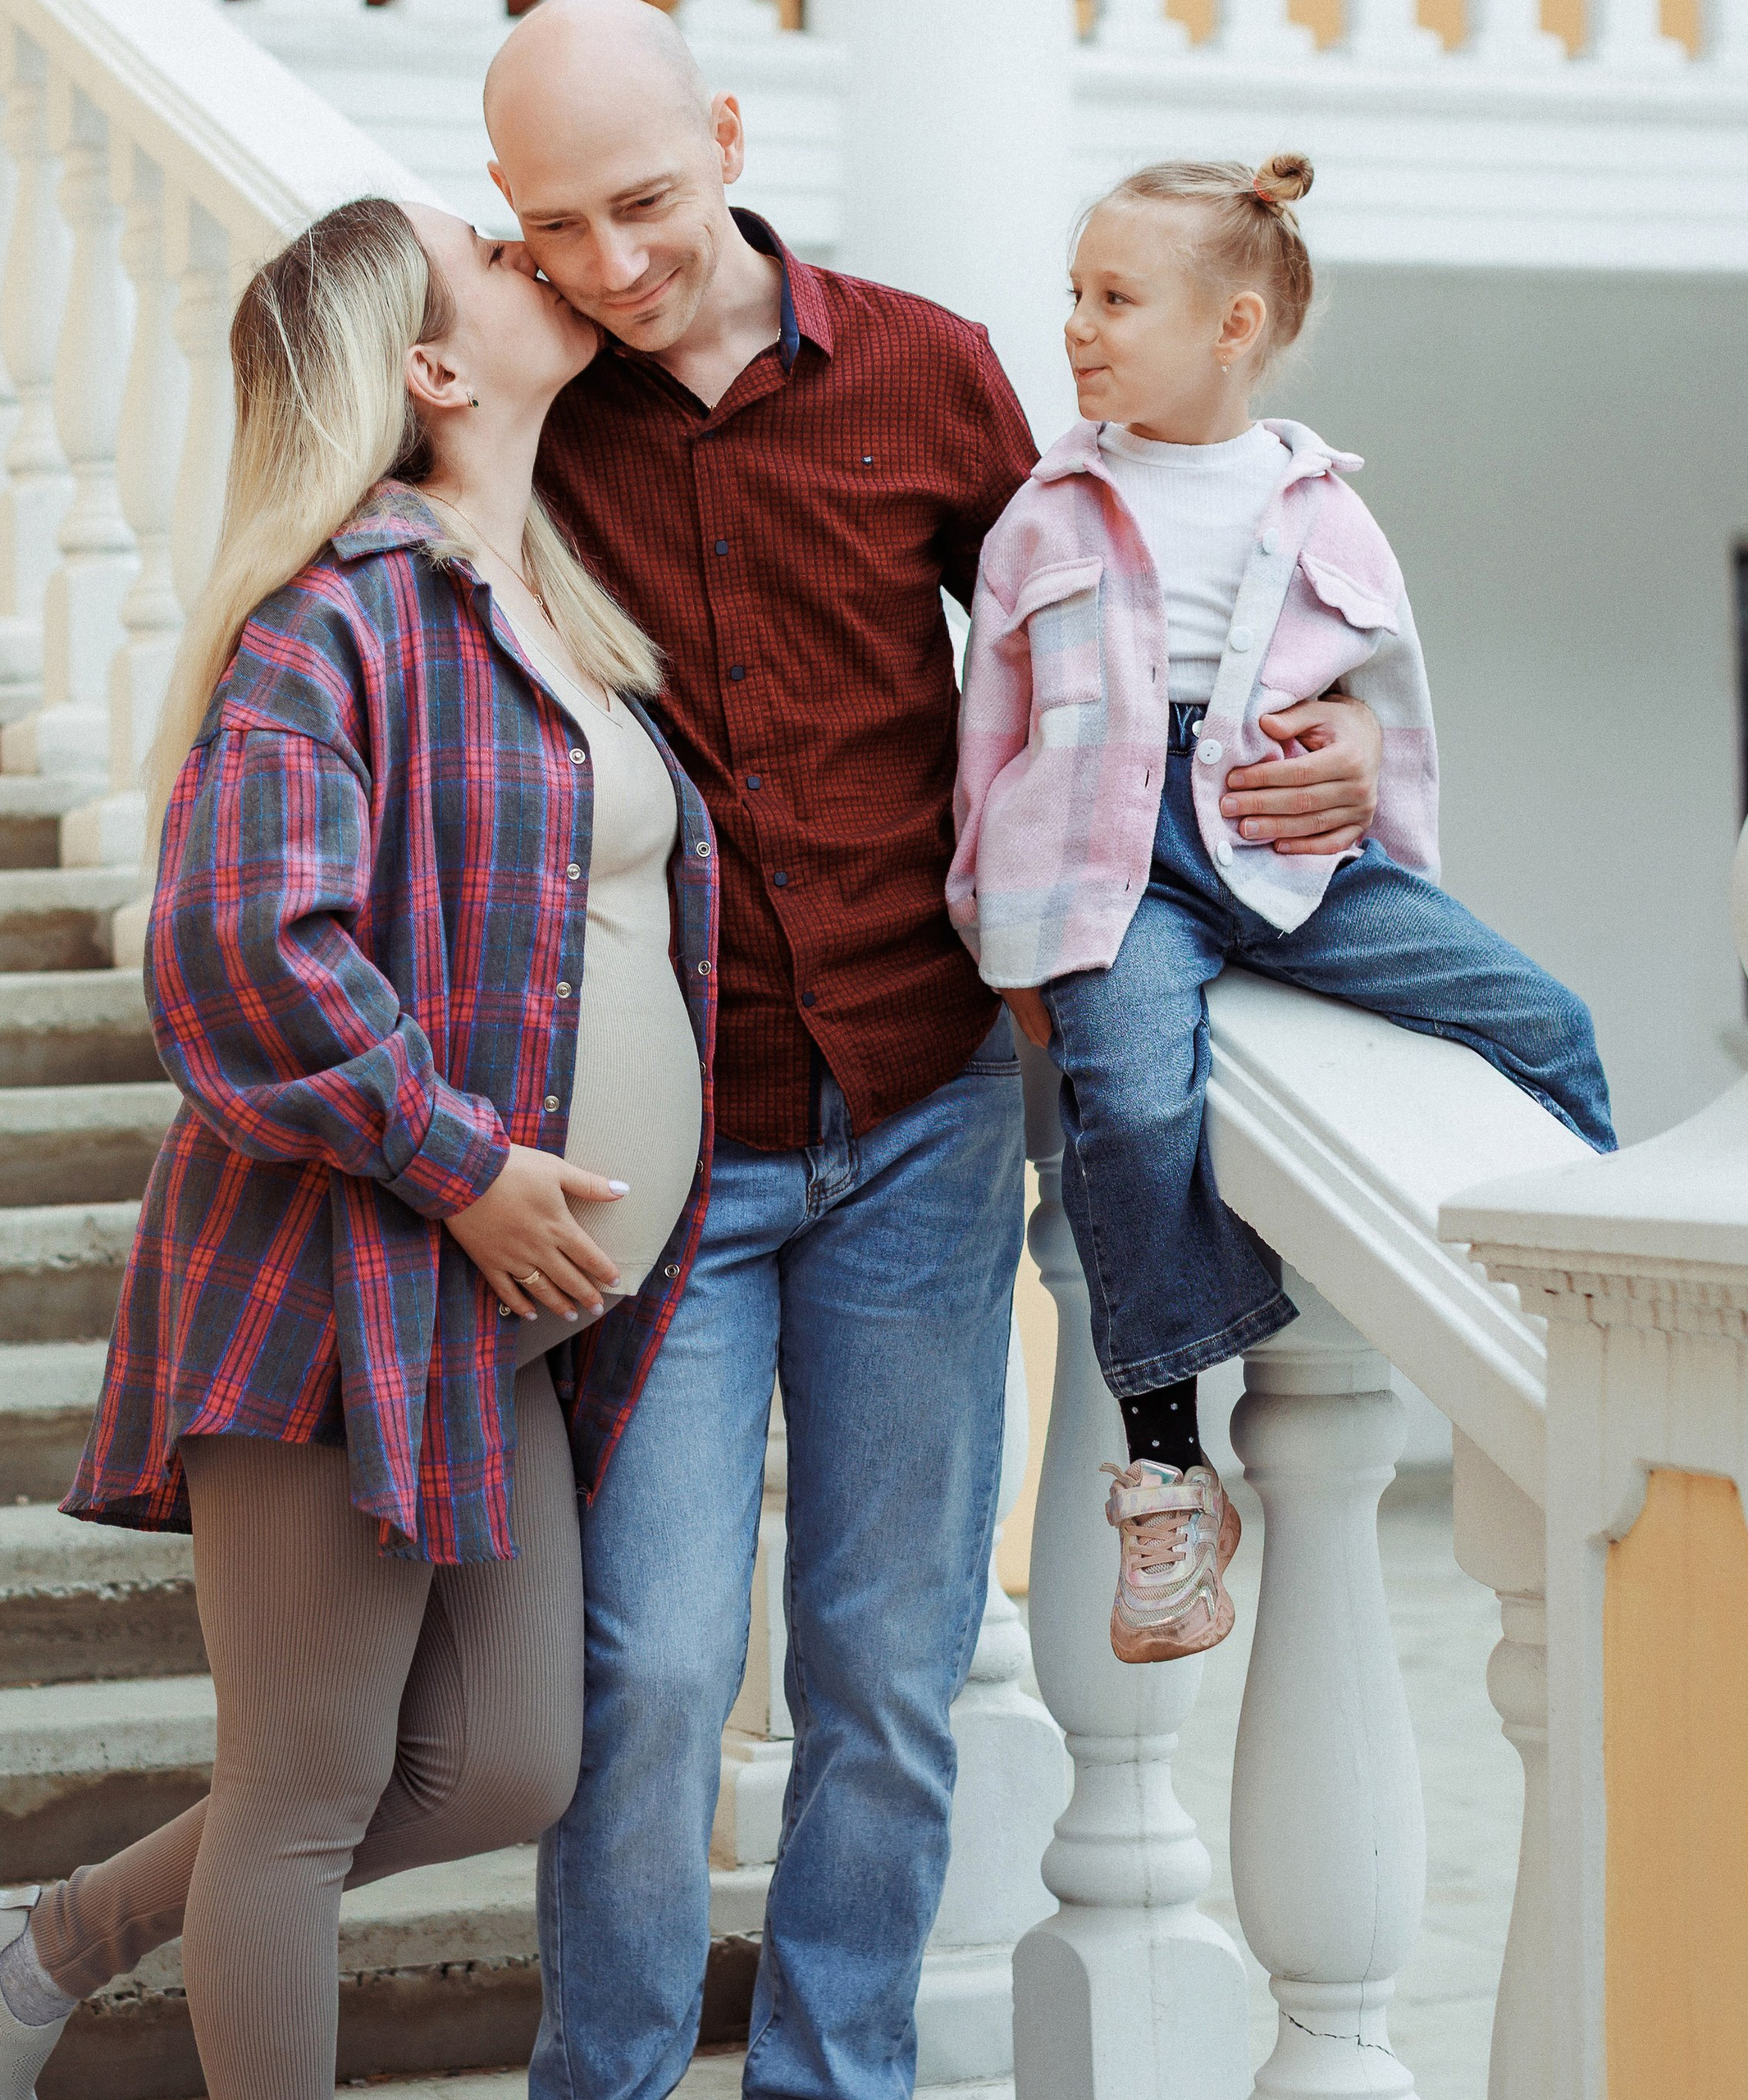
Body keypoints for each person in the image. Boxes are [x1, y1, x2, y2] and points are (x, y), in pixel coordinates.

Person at [481, 10, 1390, 2098]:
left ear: (723, 137)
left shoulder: (923, 365)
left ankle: (834, 2075)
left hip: (916, 1104)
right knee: (647, 1673)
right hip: (663, 1137)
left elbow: (1123, 608)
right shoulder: (532, 401)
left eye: (643, 204)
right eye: (555, 230)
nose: (611, 266)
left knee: (885, 1669)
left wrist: (1327, 724)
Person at [0, 194, 719, 2100]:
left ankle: (28, 1952)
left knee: (511, 1761)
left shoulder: (548, 601)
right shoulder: (334, 612)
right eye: (493, 255)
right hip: (332, 1286)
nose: (536, 251)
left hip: (485, 1310)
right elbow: (234, 943)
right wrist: (461, 1158)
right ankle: (33, 1960)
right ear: (431, 369)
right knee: (303, 1786)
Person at [949, 153, 1615, 1668]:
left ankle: (1599, 1315)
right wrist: (1004, 930)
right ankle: (1171, 1467)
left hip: (1289, 853)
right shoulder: (1048, 513)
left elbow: (1394, 710)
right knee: (1130, 1096)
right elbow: (986, 733)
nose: (1080, 328)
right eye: (1075, 295)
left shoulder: (1321, 508)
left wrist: (1385, 830)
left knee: (1540, 1017)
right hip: (1118, 874)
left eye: (1116, 299)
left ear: (1233, 325)